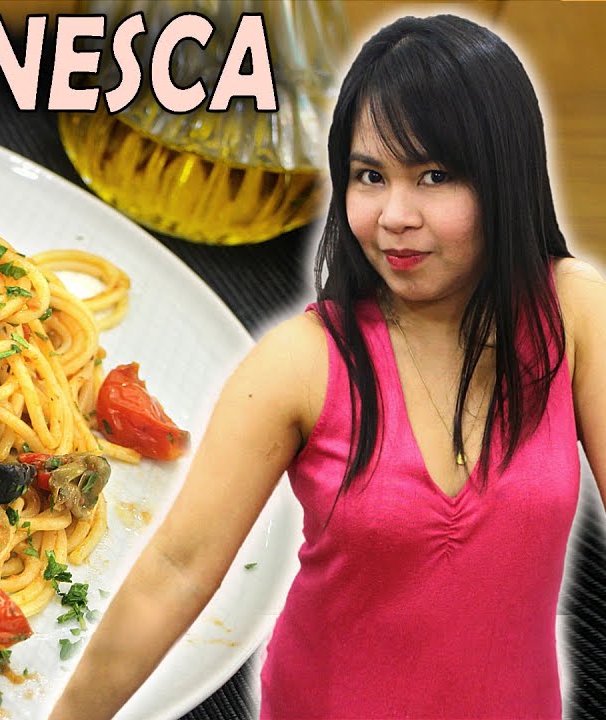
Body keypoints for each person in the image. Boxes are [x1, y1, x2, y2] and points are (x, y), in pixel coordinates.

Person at [50, 13, 606, 720]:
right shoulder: (299, 363)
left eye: (435, 176)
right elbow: (176, 570)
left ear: (505, 175)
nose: (394, 215)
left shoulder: (574, 312)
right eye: (370, 175)